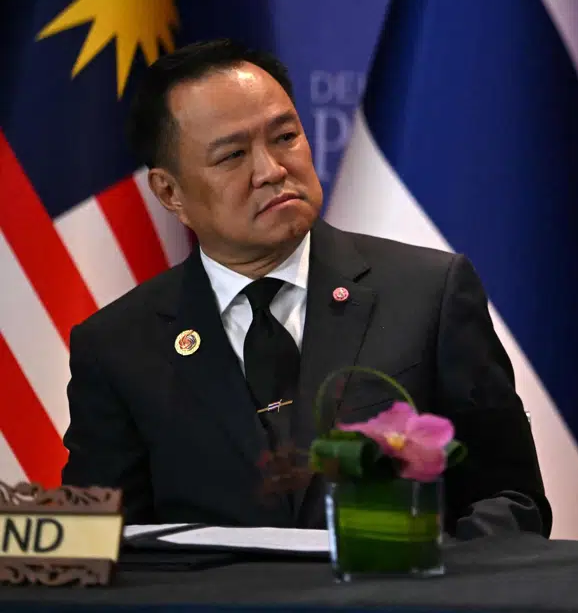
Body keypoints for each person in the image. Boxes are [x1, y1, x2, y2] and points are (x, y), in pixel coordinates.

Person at [61, 40, 550, 537]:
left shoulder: (430, 294)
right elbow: (99, 542)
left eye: (286, 136)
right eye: (232, 155)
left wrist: (430, 577)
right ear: (169, 191)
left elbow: (512, 499)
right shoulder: (117, 347)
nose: (272, 170)